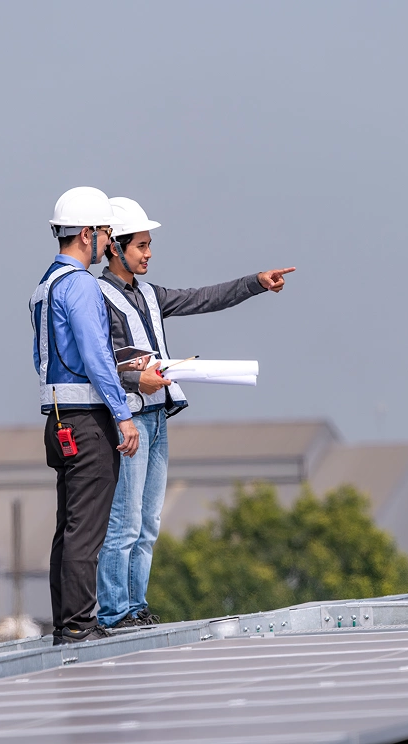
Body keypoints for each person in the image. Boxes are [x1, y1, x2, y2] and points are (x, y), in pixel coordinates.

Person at [96, 196, 294, 628]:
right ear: (115, 246)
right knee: (125, 522)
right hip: (127, 419)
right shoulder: (97, 296)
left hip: (158, 416)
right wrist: (133, 381)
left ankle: (136, 606)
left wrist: (255, 283)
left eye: (149, 245)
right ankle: (114, 612)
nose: (149, 254)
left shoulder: (149, 294)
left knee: (148, 521)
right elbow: (95, 362)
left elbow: (203, 298)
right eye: (141, 246)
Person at [30, 187, 140, 645]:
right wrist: (123, 414)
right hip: (85, 419)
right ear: (88, 234)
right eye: (106, 235)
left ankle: (66, 621)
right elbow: (96, 355)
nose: (108, 245)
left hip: (57, 418)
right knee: (87, 526)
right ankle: (79, 625)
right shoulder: (80, 285)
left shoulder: (45, 285)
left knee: (70, 524)